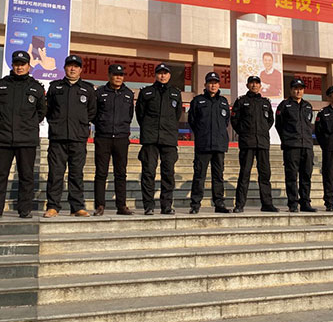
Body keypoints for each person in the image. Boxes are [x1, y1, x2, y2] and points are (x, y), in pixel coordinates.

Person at [0, 50, 46, 219]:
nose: (19, 67)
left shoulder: (36, 87)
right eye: (17, 64)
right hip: (3, 138)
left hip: (26, 139)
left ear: (28, 66)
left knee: (26, 176)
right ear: (12, 65)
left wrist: (28, 125)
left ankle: (24, 209)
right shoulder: (0, 85)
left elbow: (41, 112)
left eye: (22, 64)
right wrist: (3, 123)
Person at [43, 54, 97, 218]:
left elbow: (92, 111)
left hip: (78, 138)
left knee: (76, 174)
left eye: (76, 66)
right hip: (58, 138)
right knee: (55, 173)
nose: (72, 69)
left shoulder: (88, 89)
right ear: (65, 68)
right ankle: (53, 206)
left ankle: (77, 207)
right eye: (70, 66)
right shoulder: (55, 87)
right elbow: (48, 110)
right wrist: (56, 124)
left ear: (80, 69)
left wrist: (80, 124)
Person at [136, 63, 183, 215]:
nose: (162, 76)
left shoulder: (175, 93)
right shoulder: (146, 92)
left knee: (168, 173)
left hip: (168, 138)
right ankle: (148, 205)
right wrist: (148, 128)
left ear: (169, 75)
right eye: (160, 73)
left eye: (165, 73)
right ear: (155, 75)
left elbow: (177, 115)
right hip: (150, 138)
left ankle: (166, 205)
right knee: (148, 172)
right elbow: (140, 114)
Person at [231, 75, 279, 213]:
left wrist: (262, 131)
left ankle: (267, 204)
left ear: (260, 86)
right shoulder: (241, 101)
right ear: (247, 85)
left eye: (257, 83)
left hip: (262, 143)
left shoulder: (265, 102)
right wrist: (244, 132)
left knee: (265, 174)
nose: (254, 85)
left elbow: (270, 120)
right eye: (251, 83)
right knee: (244, 173)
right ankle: (239, 205)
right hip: (247, 143)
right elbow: (234, 120)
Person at [92, 64, 134, 216]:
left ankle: (121, 205)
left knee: (121, 173)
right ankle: (100, 205)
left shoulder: (128, 94)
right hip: (103, 137)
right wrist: (102, 125)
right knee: (101, 173)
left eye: (121, 75)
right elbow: (94, 113)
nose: (118, 77)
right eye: (115, 74)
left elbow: (130, 115)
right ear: (109, 75)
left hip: (121, 138)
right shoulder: (100, 93)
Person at [187, 71, 231, 214]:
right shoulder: (198, 101)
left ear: (219, 85)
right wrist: (201, 133)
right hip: (203, 144)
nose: (213, 85)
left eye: (215, 83)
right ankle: (195, 204)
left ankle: (219, 203)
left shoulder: (223, 101)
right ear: (205, 85)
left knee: (218, 176)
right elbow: (192, 120)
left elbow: (226, 121)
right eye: (210, 83)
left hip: (219, 145)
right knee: (199, 175)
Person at [275, 78, 317, 212]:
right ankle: (293, 203)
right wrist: (287, 139)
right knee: (292, 176)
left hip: (307, 146)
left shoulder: (308, 106)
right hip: (292, 145)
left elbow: (309, 124)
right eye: (295, 89)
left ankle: (305, 203)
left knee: (306, 175)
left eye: (300, 89)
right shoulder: (284, 105)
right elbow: (279, 125)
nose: (298, 91)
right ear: (291, 90)